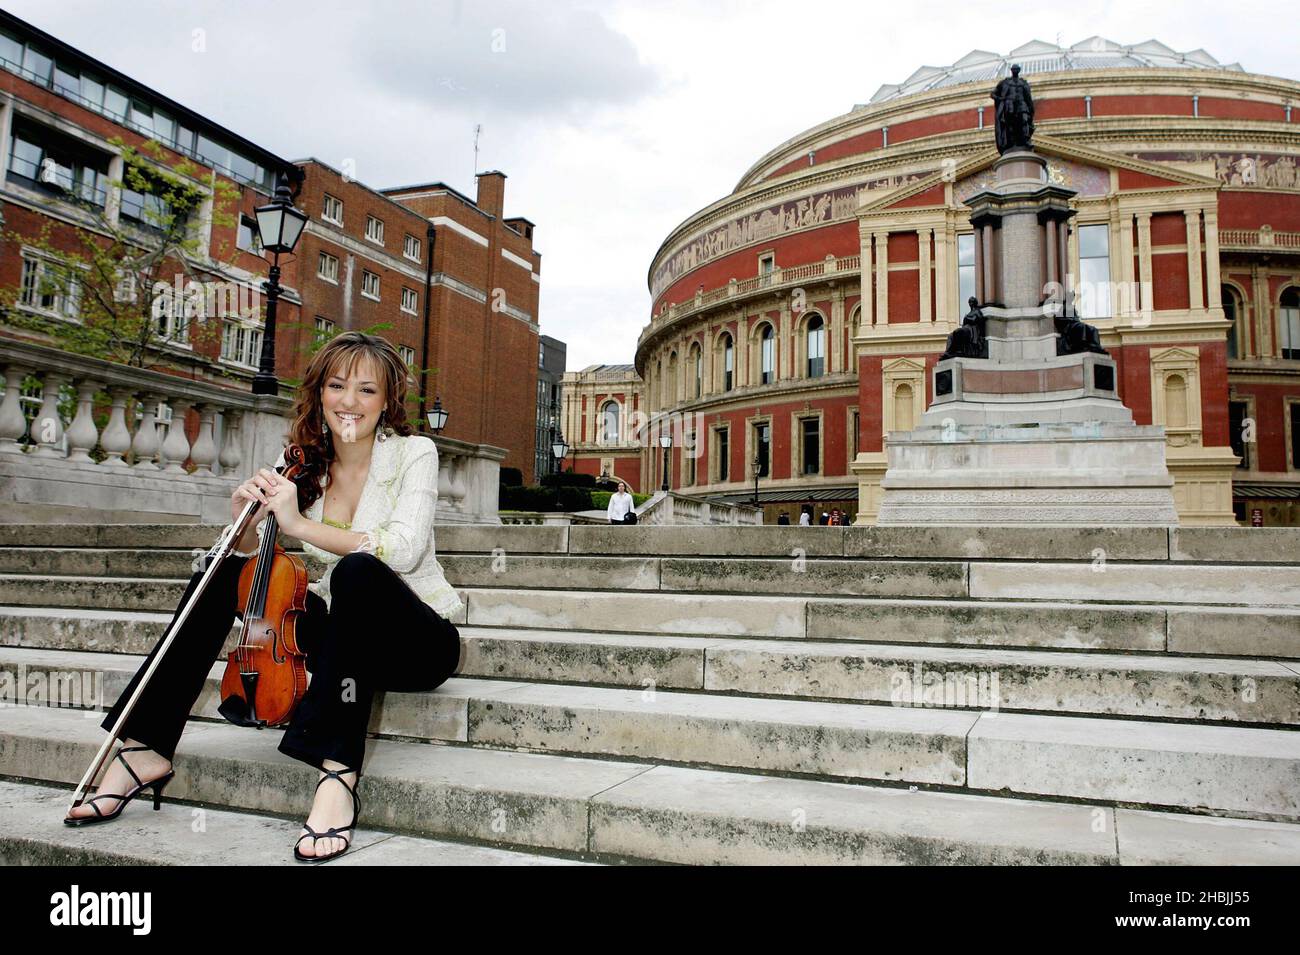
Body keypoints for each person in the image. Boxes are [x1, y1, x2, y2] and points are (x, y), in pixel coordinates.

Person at [63, 331, 463, 864]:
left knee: (357, 573)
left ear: (388, 400)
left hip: (416, 639)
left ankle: (338, 773)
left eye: (367, 390)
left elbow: (403, 549)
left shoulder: (416, 452)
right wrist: (245, 524)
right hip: (345, 638)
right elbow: (257, 558)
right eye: (338, 385)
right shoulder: (301, 462)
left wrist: (297, 521)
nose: (350, 402)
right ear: (319, 392)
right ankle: (145, 747)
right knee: (222, 570)